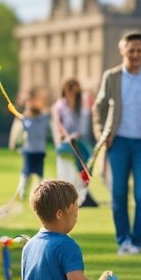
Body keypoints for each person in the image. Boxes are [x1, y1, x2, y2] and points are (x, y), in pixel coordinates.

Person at [18, 179, 131, 280]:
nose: (77, 214)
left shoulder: (30, 245)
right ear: (59, 214)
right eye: (75, 209)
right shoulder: (66, 244)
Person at [92, 31, 141, 256]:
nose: (135, 55)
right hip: (118, 143)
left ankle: (137, 241)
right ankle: (123, 239)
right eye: (131, 50)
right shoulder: (112, 77)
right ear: (122, 51)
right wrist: (100, 132)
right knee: (117, 194)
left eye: (139, 51)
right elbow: (98, 106)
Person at [51, 78, 97, 208]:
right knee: (70, 172)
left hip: (82, 144)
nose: (71, 95)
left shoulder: (82, 106)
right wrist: (63, 138)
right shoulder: (60, 106)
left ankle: (83, 195)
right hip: (67, 145)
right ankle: (73, 197)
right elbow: (57, 125)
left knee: (84, 171)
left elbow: (85, 124)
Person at [10, 89, 50, 203]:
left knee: (39, 175)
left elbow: (47, 111)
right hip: (29, 150)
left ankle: (40, 195)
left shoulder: (43, 117)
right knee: (26, 173)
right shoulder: (25, 118)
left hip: (40, 150)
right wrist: (13, 144)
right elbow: (17, 131)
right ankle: (22, 193)